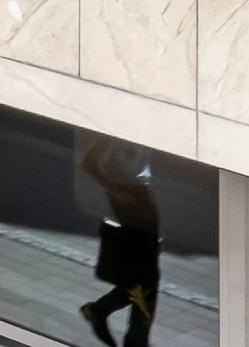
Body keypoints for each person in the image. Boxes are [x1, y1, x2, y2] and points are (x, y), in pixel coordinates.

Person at [82, 144, 163, 346]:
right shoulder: (116, 133)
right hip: (129, 199)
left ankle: (100, 311)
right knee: (147, 278)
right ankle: (135, 340)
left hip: (143, 194)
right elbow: (89, 162)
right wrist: (116, 190)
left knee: (146, 276)